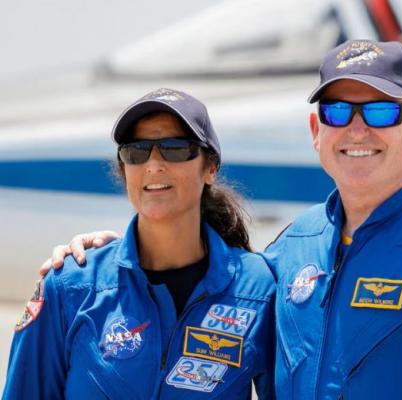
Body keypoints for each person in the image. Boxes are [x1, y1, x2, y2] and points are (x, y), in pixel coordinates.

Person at [39, 40, 402, 399]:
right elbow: (208, 291)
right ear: (315, 130)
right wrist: (105, 260)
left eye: (379, 112)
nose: (356, 129)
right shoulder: (290, 252)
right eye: (336, 113)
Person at [4, 88, 275, 399]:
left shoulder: (259, 289)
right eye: (137, 151)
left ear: (210, 168)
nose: (154, 164)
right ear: (124, 169)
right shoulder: (70, 287)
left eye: (175, 149)